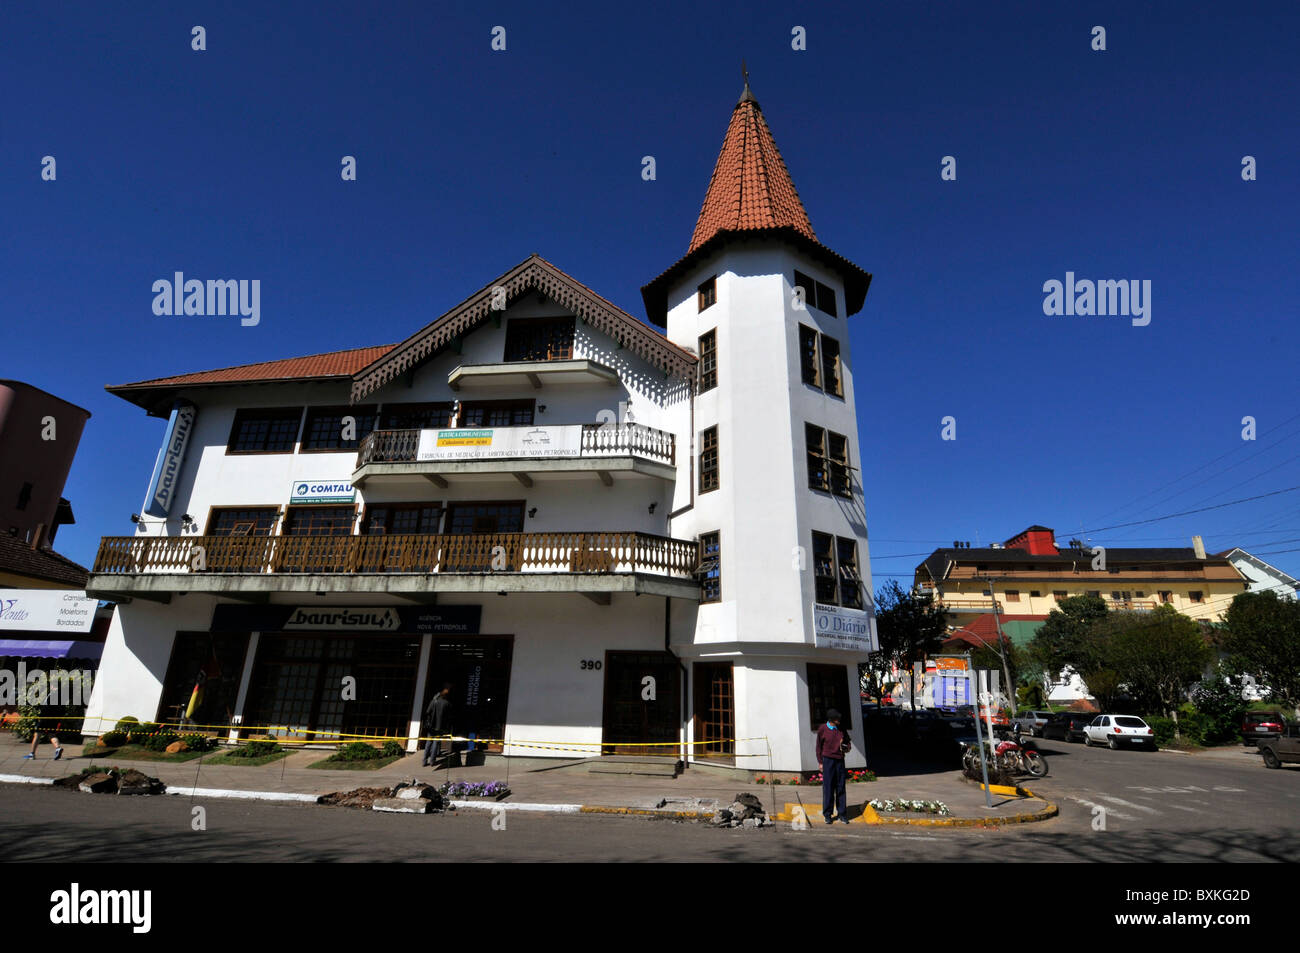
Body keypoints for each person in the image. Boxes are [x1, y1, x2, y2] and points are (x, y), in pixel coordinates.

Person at [815, 708, 851, 824]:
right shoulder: (822, 729)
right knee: (828, 788)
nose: (839, 720)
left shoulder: (841, 729)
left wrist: (846, 747)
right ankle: (827, 814)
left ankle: (842, 814)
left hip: (839, 760)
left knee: (840, 787)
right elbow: (818, 747)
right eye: (837, 719)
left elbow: (848, 741)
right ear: (832, 720)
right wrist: (820, 762)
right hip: (828, 761)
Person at [422, 683, 453, 768]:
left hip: (431, 726)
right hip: (440, 727)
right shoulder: (447, 704)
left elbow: (427, 712)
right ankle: (432, 761)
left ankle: (424, 761)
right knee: (436, 743)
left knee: (428, 743)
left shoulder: (433, 701)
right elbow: (448, 717)